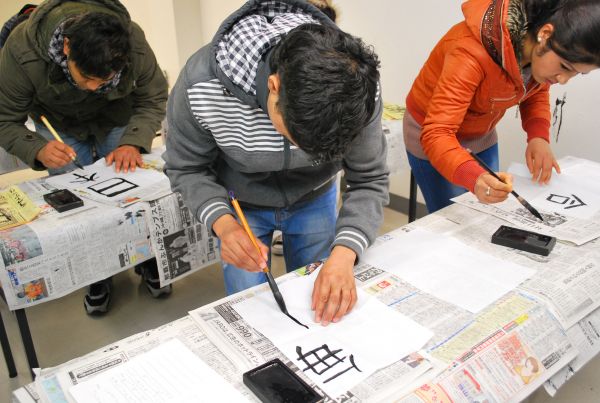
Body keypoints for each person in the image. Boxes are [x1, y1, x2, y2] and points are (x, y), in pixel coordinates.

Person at [164, 0, 389, 326]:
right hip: (242, 206)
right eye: (298, 139)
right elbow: (187, 167)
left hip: (316, 197)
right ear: (274, 87)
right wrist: (225, 225)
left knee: (320, 302)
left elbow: (369, 177)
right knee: (250, 312)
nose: (305, 156)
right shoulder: (201, 84)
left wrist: (344, 254)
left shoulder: (358, 87)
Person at [0, 0, 169, 314]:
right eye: (87, 77)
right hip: (59, 123)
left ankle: (146, 258)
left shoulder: (132, 41)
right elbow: (4, 119)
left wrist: (134, 140)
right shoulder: (21, 51)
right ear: (66, 47)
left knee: (130, 189)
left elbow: (153, 96)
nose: (93, 88)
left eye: (104, 80)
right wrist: (36, 148)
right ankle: (97, 273)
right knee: (75, 202)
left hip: (117, 116)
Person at [404, 0, 600, 213]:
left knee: (487, 209)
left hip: (480, 133)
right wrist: (475, 177)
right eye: (565, 66)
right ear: (545, 34)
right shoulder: (469, 51)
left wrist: (538, 136)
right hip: (433, 136)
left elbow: (535, 89)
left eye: (577, 73)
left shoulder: (537, 53)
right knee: (454, 216)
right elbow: (437, 133)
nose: (563, 80)